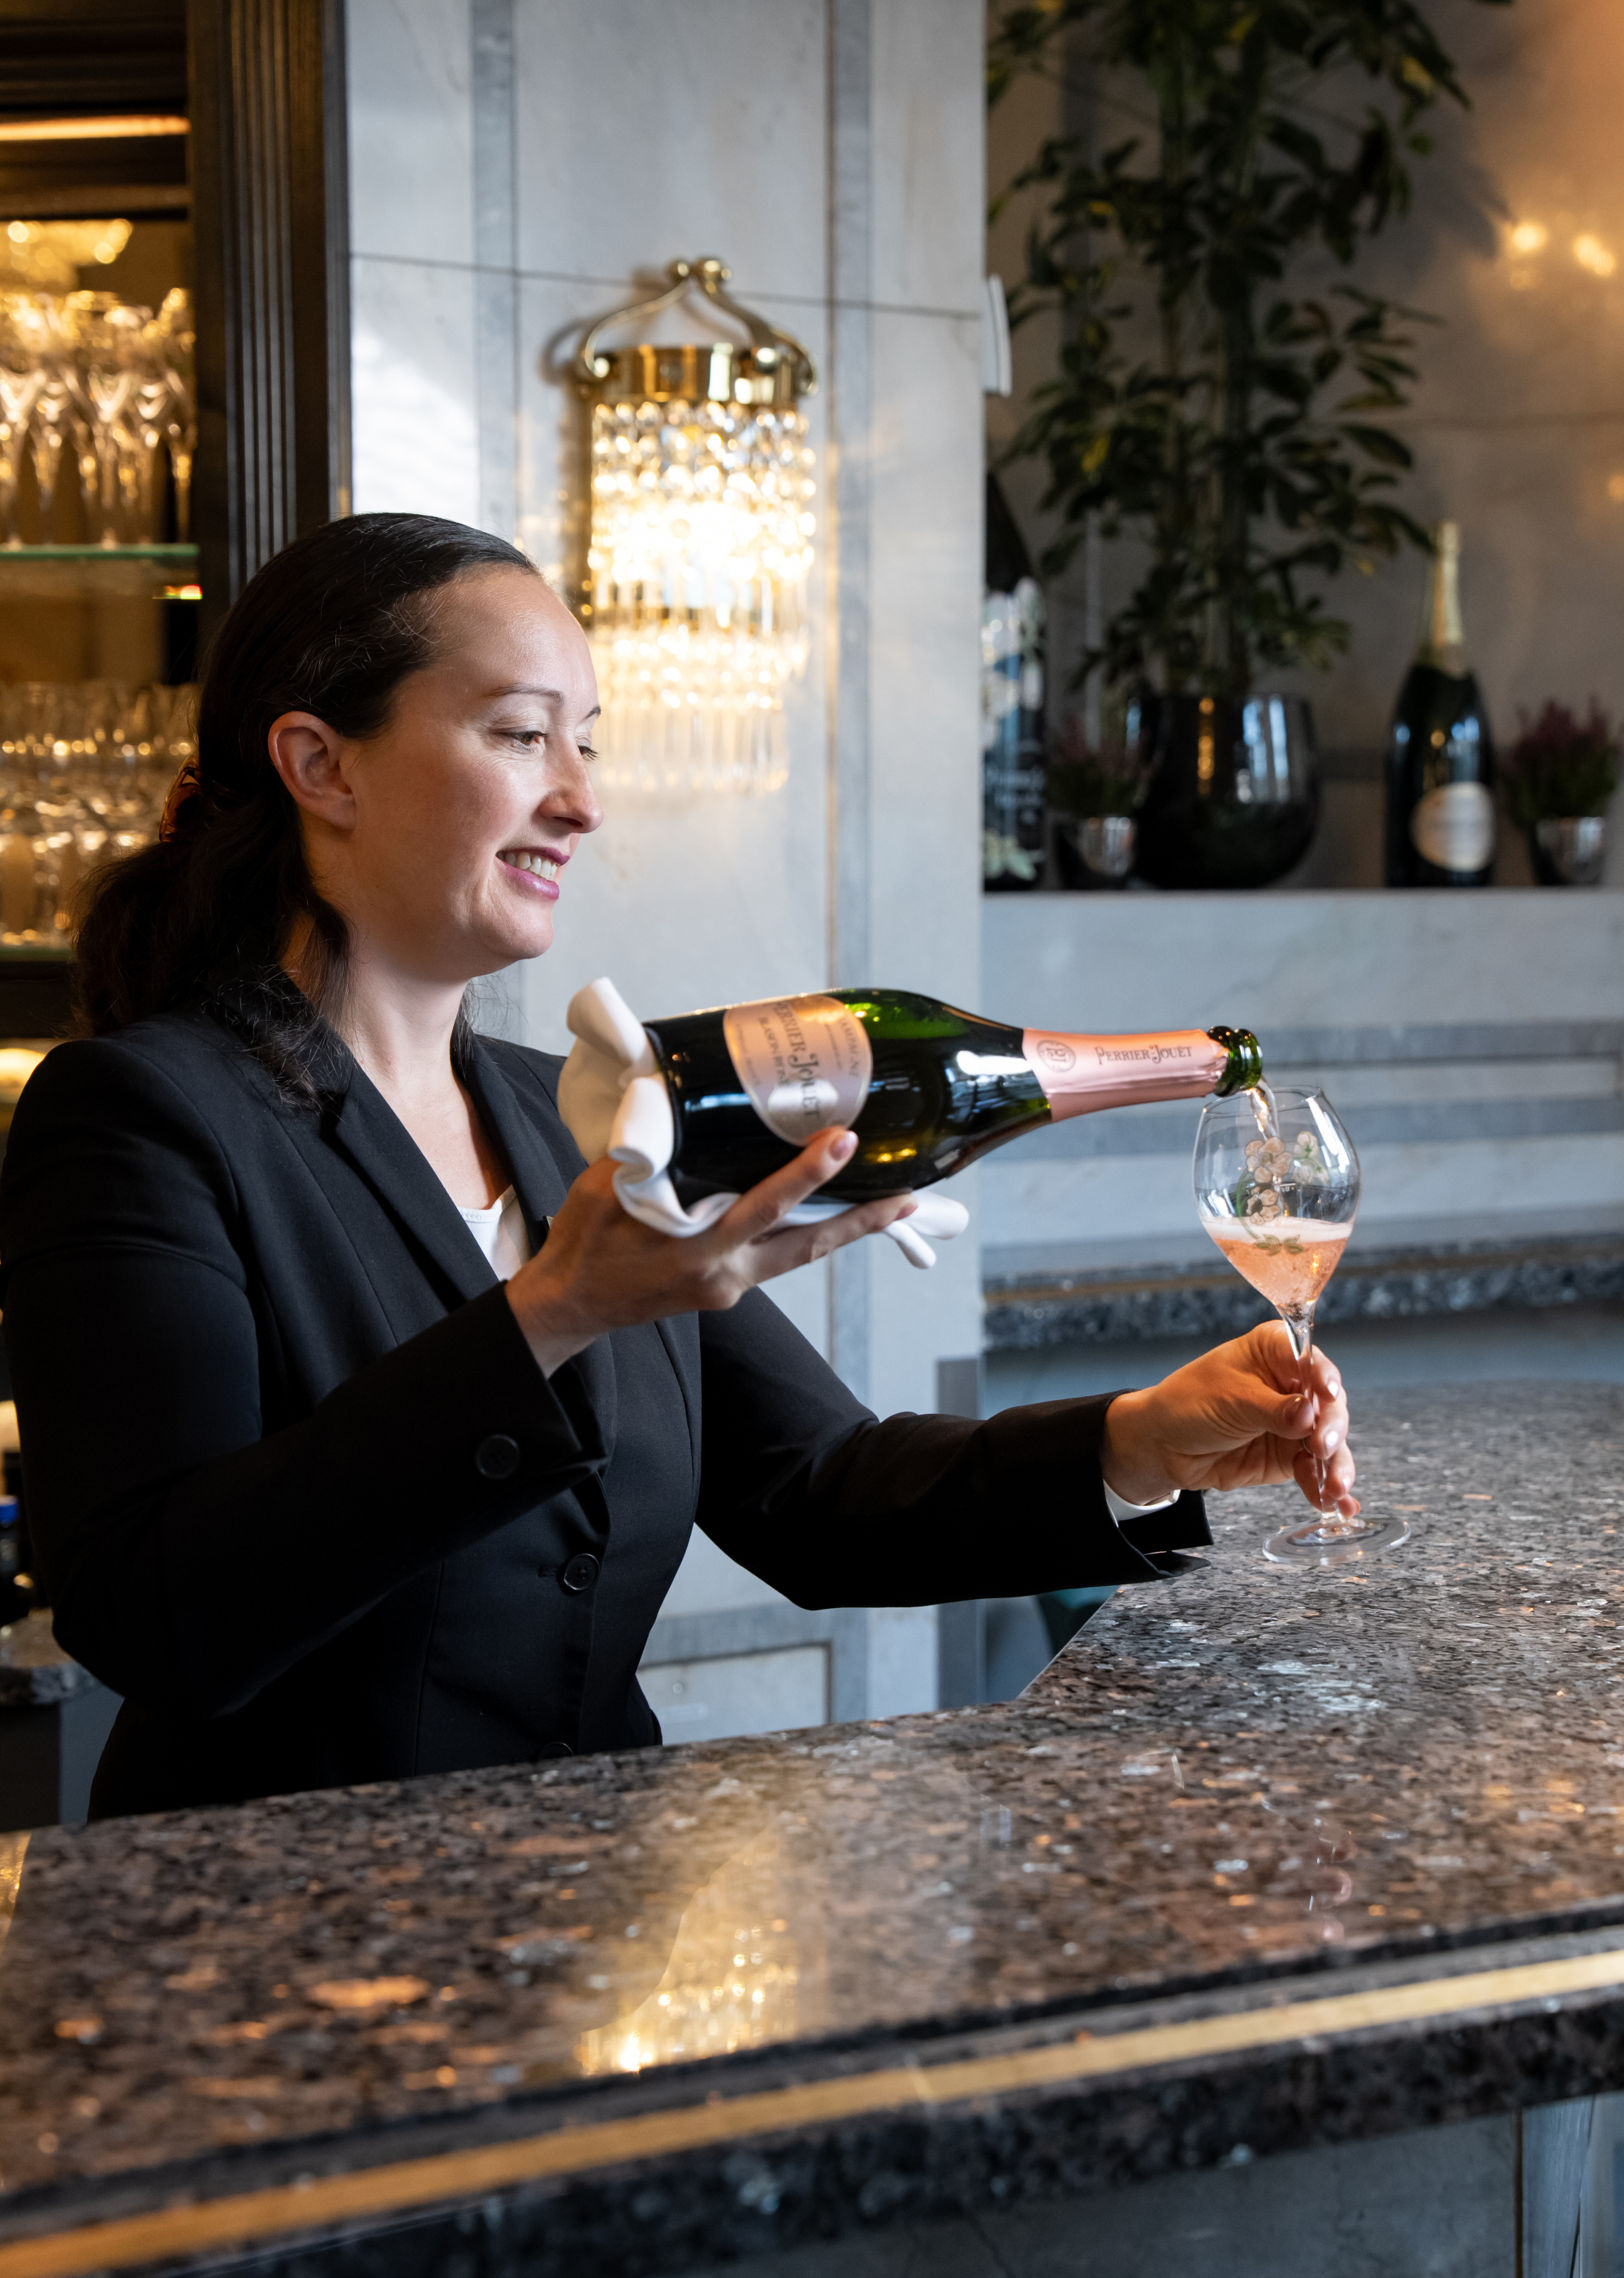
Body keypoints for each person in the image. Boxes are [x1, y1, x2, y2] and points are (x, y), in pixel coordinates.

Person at [0, 516, 1356, 1819]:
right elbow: (151, 1615)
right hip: (266, 1933)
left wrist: (1139, 1440)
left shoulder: (577, 1114)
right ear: (322, 766)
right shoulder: (141, 1116)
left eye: (585, 743)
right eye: (520, 734)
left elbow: (821, 1495)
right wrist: (554, 1313)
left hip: (591, 1916)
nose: (581, 801)